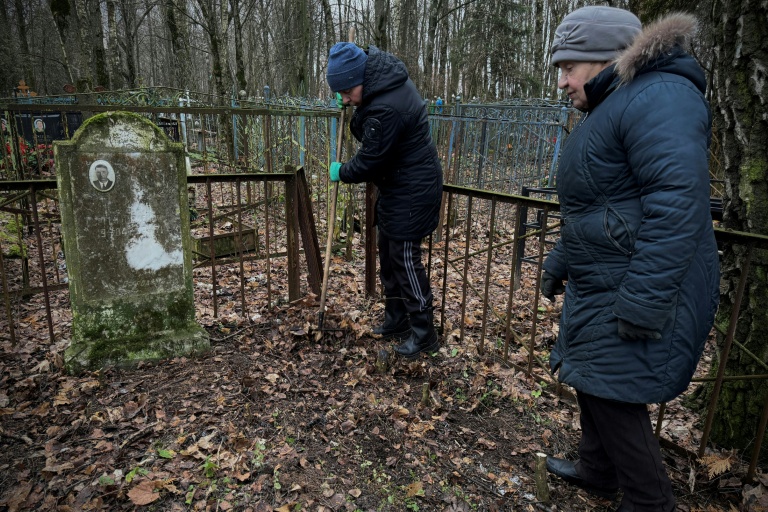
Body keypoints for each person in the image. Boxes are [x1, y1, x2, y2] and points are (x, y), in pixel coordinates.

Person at [540, 6, 719, 512]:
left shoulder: (660, 97)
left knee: (614, 394)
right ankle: (598, 471)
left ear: (603, 59)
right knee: (595, 381)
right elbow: (603, 206)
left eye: (567, 67)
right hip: (608, 278)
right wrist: (561, 260)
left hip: (640, 283)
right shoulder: (621, 102)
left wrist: (642, 300)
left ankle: (648, 501)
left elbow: (677, 204)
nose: (562, 81)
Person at [326, 42, 443, 359]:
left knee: (405, 259)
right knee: (389, 255)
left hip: (413, 189)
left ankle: (424, 335)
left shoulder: (386, 106)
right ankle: (396, 321)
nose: (347, 99)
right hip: (399, 185)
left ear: (361, 77)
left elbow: (371, 160)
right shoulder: (378, 84)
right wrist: (353, 102)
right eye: (343, 94)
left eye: (349, 92)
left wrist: (344, 171)